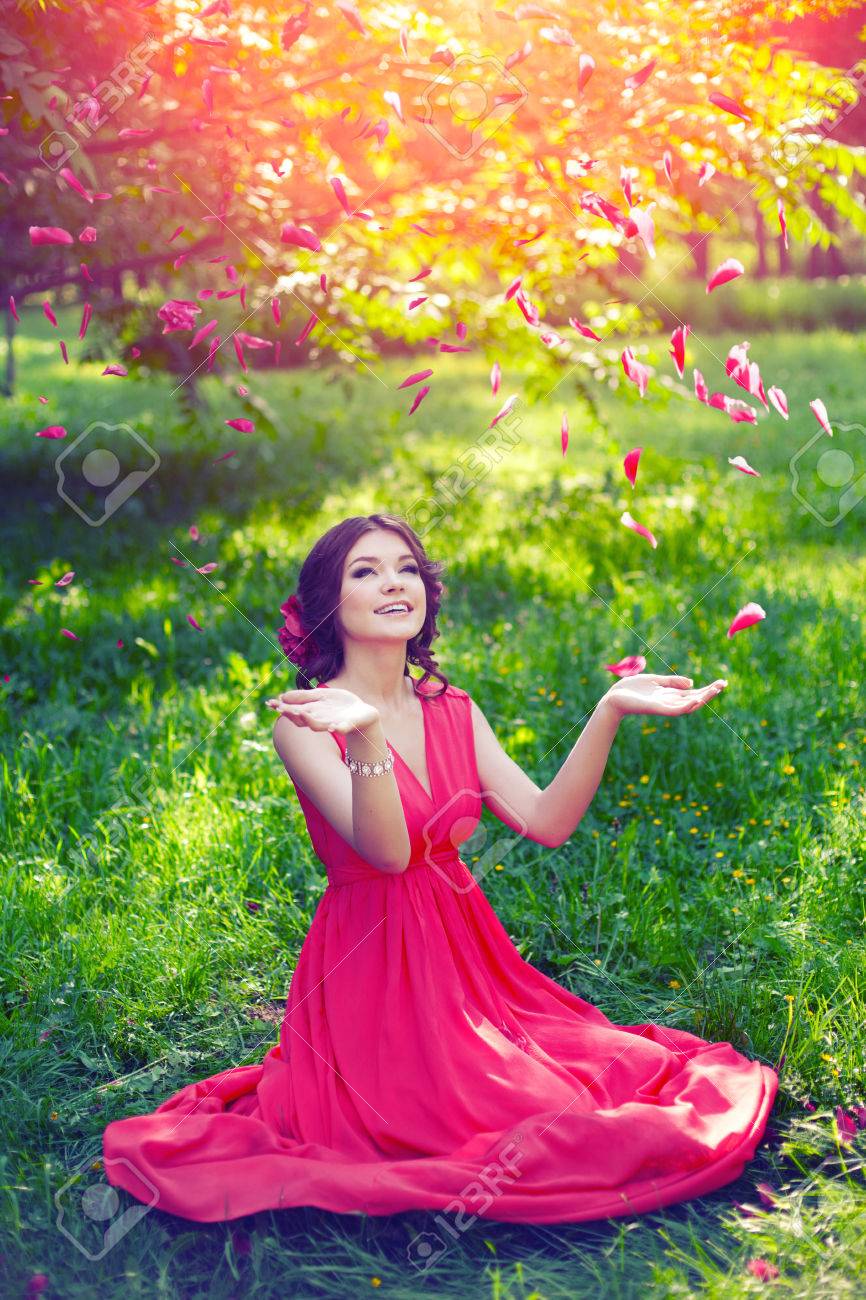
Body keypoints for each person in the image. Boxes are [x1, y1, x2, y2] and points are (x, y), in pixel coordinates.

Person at [101, 512, 778, 1229]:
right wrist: (363, 731)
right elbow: (387, 854)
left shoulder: (452, 708)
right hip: (373, 974)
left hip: (468, 964)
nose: (394, 582)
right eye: (365, 571)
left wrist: (608, 710)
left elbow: (547, 822)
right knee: (526, 1120)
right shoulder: (303, 723)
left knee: (592, 1079)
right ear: (329, 605)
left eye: (406, 567)